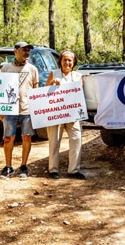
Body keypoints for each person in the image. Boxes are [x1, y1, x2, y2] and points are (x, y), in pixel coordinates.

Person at [0, 42, 39, 179]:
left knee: (26, 137)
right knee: (8, 138)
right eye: (24, 50)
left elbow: (36, 89)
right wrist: (1, 110)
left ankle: (23, 166)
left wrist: (36, 109)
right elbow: (0, 89)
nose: (27, 52)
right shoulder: (5, 68)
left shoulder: (33, 69)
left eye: (28, 50)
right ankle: (8, 166)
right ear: (15, 51)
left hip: (26, 109)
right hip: (9, 109)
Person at [45, 51, 85, 180]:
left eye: (70, 60)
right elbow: (43, 93)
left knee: (76, 139)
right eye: (64, 60)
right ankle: (53, 169)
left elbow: (79, 94)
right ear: (60, 61)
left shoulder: (78, 76)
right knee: (54, 141)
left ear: (74, 63)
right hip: (56, 114)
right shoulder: (53, 74)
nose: (67, 63)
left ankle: (73, 170)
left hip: (72, 115)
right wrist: (52, 84)